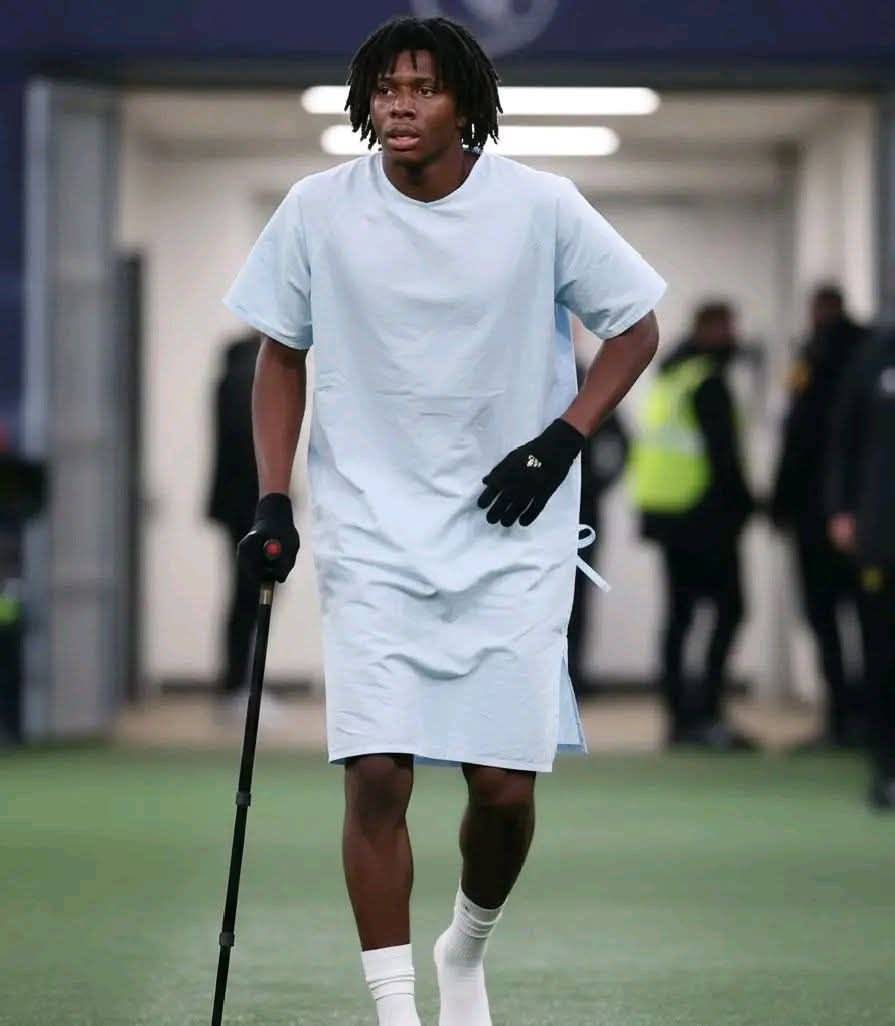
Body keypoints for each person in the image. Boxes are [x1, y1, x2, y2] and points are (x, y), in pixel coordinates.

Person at [223, 16, 665, 1026]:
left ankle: (464, 944)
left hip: (511, 535)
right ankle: (396, 1011)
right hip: (372, 534)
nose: (399, 105)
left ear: (465, 103)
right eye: (384, 88)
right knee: (376, 775)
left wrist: (563, 438)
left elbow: (634, 328)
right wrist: (272, 496)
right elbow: (281, 354)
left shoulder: (540, 206)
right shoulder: (316, 209)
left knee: (503, 789)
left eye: (422, 88)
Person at [629, 302, 754, 750]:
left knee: (680, 618)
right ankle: (706, 713)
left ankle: (681, 716)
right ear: (707, 329)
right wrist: (748, 506)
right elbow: (724, 458)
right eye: (727, 328)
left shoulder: (671, 377)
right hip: (705, 518)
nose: (734, 337)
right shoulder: (706, 382)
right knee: (729, 610)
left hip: (669, 517)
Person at [771, 285, 870, 748]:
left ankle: (843, 717)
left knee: (826, 619)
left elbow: (798, 441)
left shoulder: (816, 363)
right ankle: (866, 716)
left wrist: (780, 503)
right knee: (866, 621)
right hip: (861, 515)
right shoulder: (867, 359)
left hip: (815, 515)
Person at [827, 330, 895, 809]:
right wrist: (841, 510)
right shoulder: (875, 358)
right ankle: (887, 768)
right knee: (883, 657)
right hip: (883, 537)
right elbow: (843, 439)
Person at [206, 334, 261, 707]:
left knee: (246, 595)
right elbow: (249, 444)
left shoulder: (234, 372)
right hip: (247, 505)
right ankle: (236, 685)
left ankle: (238, 683)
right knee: (247, 596)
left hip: (238, 504)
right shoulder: (246, 375)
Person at [567, 404, 628, 694]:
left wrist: (592, 486)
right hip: (567, 512)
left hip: (582, 514)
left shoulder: (591, 396)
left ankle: (572, 674)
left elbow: (619, 447)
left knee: (577, 600)